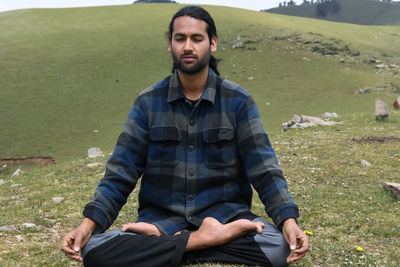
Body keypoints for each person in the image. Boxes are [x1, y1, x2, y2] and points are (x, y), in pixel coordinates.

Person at [61, 5, 308, 267]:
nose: (188, 46)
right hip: (160, 223)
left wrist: (288, 222)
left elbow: (265, 170)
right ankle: (202, 242)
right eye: (180, 38)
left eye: (196, 38)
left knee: (279, 247)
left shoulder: (238, 101)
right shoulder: (147, 103)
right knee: (94, 250)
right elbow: (120, 174)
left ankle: (174, 247)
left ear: (212, 44)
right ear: (170, 44)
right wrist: (87, 225)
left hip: (227, 219)